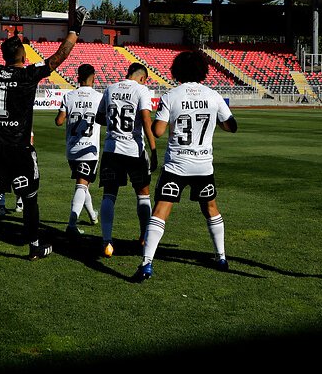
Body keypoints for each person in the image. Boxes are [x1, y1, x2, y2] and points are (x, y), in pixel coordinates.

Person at [0, 0, 87, 274]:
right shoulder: (29, 74)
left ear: (4, 56)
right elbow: (60, 56)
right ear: (23, 55)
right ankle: (34, 247)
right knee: (30, 199)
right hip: (20, 149)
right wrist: (75, 29)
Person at [132, 51, 238, 281]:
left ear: (176, 71)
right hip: (202, 165)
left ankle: (147, 263)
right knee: (210, 208)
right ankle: (221, 256)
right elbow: (231, 126)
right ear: (203, 70)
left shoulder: (171, 95)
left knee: (161, 211)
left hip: (177, 165)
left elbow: (158, 132)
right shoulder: (213, 95)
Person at [95, 62, 158, 258]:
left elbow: (99, 118)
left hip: (112, 150)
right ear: (142, 78)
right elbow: (146, 121)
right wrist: (154, 149)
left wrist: (115, 123)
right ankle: (144, 236)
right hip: (134, 150)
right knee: (143, 193)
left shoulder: (110, 88)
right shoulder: (142, 90)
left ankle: (107, 242)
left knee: (109, 195)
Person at [55, 64, 102, 235]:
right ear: (94, 77)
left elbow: (59, 121)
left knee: (83, 184)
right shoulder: (99, 97)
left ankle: (92, 215)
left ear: (77, 78)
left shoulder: (69, 96)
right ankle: (72, 225)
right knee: (82, 185)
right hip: (89, 149)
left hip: (72, 150)